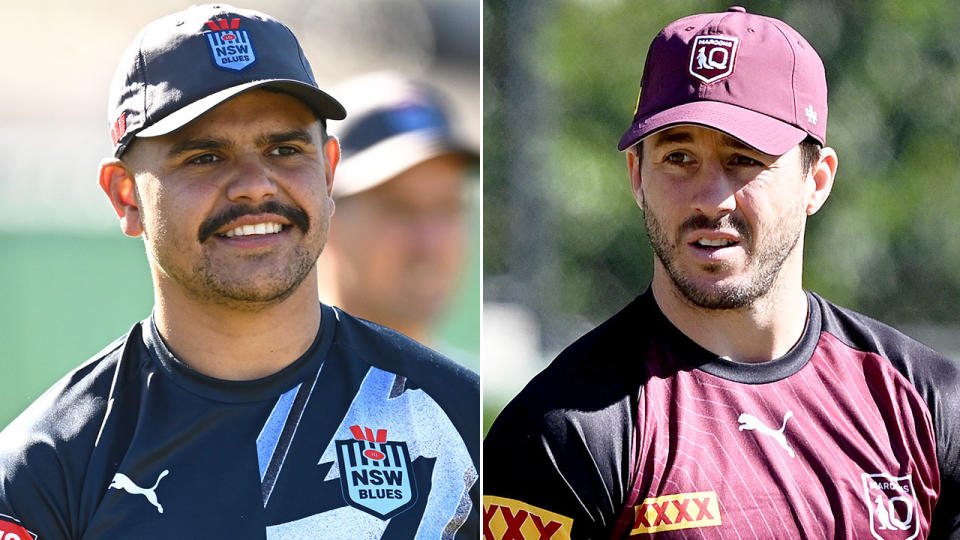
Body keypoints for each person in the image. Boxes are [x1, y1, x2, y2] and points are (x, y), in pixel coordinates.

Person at [0, 5, 478, 538]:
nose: (256, 184)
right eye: (205, 157)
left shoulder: (463, 422)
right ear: (126, 195)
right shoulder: (45, 468)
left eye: (284, 149)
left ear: (327, 171)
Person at [483, 7, 960, 539]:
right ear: (637, 175)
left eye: (744, 159)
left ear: (816, 181)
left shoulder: (927, 403)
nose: (711, 199)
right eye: (679, 157)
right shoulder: (562, 432)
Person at [316, 72, 478, 355]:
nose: (430, 242)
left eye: (447, 207)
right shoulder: (258, 388)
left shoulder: (468, 392)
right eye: (399, 208)